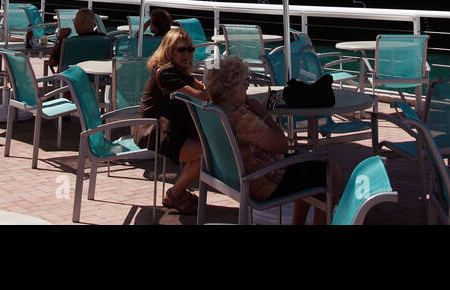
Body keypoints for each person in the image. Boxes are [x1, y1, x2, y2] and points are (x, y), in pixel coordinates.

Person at [207, 56, 341, 225]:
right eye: (244, 84)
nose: (246, 90)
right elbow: (281, 145)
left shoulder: (216, 111)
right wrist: (265, 115)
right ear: (231, 89)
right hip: (263, 184)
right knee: (330, 171)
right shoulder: (243, 120)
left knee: (311, 170)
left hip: (234, 179)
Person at [135, 28, 207, 214]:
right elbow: (202, 95)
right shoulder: (167, 73)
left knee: (208, 146)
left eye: (190, 49)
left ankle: (179, 191)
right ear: (169, 50)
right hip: (155, 133)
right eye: (181, 50)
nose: (187, 54)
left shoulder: (179, 72)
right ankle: (175, 193)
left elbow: (201, 90)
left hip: (171, 128)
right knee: (208, 154)